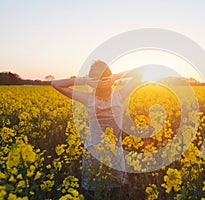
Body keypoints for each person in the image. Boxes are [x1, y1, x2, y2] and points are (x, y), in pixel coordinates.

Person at [51, 60, 143, 199]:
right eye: (100, 79)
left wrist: (89, 80)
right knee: (107, 192)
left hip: (105, 151)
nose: (102, 82)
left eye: (105, 78)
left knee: (106, 191)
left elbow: (55, 84)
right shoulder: (113, 95)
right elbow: (54, 84)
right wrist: (109, 78)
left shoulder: (99, 97)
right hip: (101, 153)